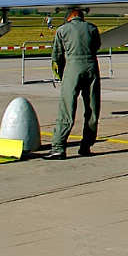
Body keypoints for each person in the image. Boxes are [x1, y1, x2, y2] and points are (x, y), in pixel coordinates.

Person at [43, 10, 102, 160]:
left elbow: (56, 54)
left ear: (69, 17)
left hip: (72, 67)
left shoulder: (62, 30)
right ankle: (86, 146)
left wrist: (61, 73)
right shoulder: (92, 28)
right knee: (92, 109)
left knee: (67, 109)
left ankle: (58, 147)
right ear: (82, 17)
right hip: (91, 67)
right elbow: (97, 46)